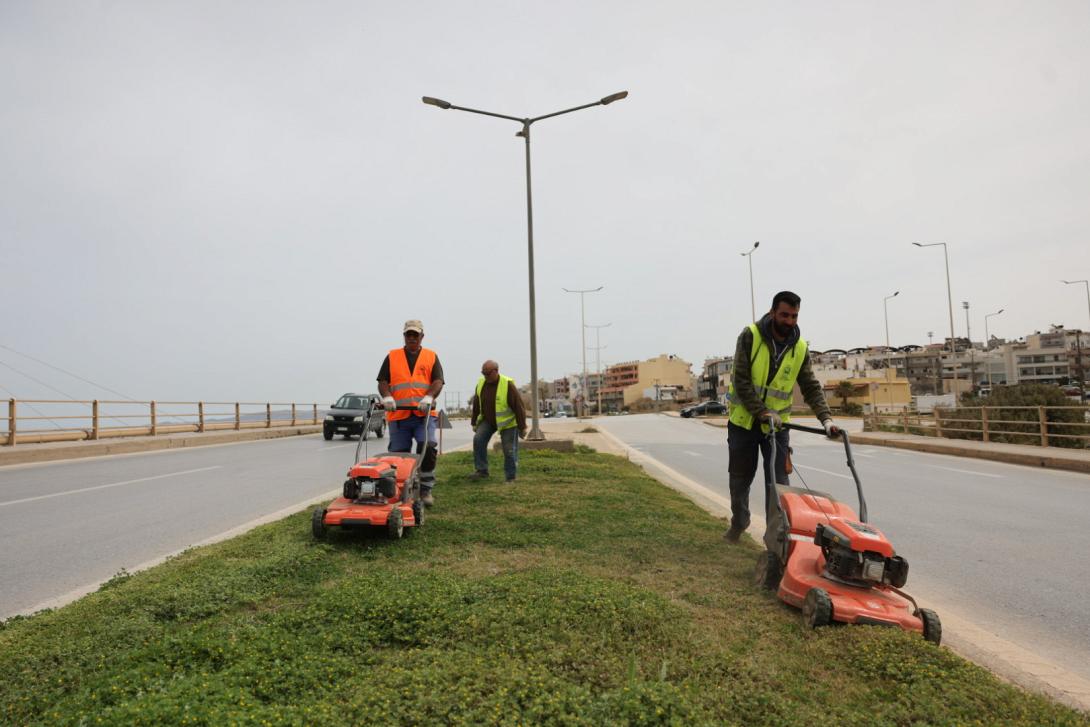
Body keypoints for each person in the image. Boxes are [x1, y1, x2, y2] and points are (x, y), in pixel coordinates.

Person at [723, 291, 839, 542]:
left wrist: (826, 420)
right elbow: (740, 381)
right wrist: (762, 412)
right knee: (740, 480)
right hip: (744, 423)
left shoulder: (799, 348)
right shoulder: (750, 336)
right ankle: (739, 522)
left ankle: (773, 542)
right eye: (784, 315)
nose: (789, 321)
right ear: (773, 312)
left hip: (778, 428)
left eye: (794, 316)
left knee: (778, 485)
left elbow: (810, 385)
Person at [377, 320, 444, 506]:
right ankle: (398, 490)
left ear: (422, 336)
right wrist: (387, 396)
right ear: (404, 336)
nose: (412, 338)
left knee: (428, 446)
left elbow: (438, 381)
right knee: (398, 456)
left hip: (423, 415)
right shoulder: (392, 356)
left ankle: (425, 489)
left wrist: (429, 397)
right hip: (399, 416)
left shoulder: (431, 356)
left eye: (416, 335)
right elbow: (383, 381)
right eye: (409, 335)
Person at [469, 360, 527, 482]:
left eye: (488, 373)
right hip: (488, 421)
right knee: (478, 439)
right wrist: (474, 422)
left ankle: (510, 477)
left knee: (509, 449)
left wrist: (522, 427)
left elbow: (518, 406)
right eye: (483, 373)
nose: (485, 376)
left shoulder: (507, 384)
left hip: (508, 423)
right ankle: (482, 471)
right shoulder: (481, 383)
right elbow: (476, 404)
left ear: (496, 371)